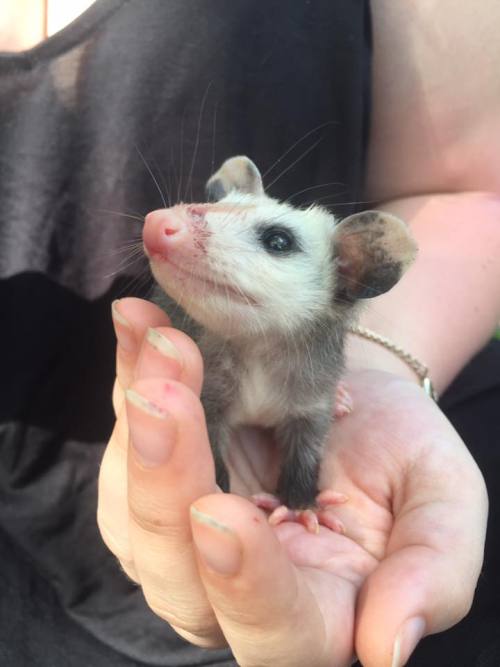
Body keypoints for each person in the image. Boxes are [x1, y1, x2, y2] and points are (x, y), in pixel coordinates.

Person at [1, 2, 499, 666]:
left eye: (273, 240)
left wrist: (384, 368)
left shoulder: (328, 339)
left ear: (350, 272)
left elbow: (466, 186)